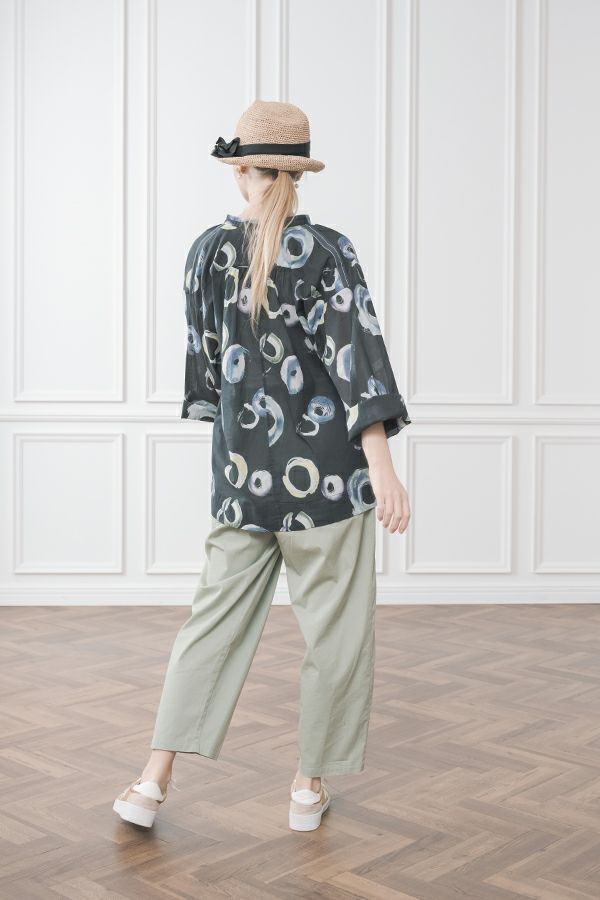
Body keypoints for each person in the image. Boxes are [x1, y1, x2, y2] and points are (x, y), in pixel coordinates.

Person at [113, 100, 412, 833]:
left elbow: (206, 375)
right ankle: (307, 787)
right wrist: (383, 468)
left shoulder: (205, 254)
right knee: (337, 635)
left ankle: (151, 781)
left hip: (243, 480)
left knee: (209, 627)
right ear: (296, 175)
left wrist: (239, 453)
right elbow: (357, 361)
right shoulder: (329, 251)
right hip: (332, 482)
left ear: (240, 171)